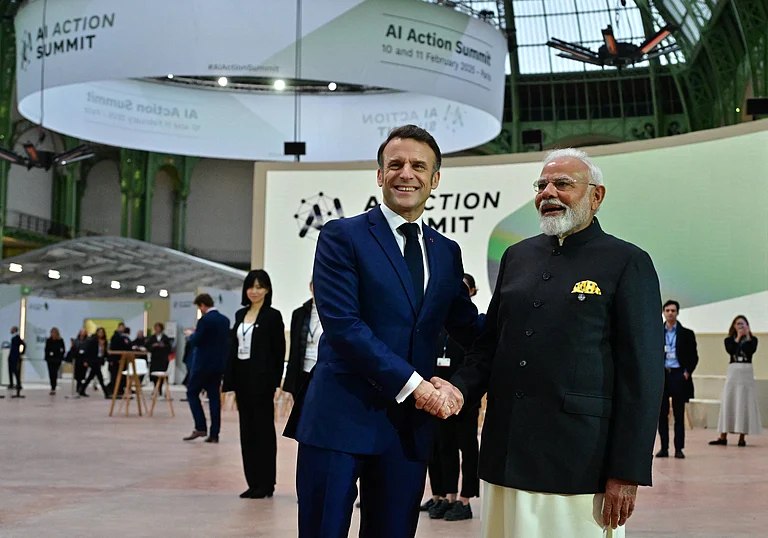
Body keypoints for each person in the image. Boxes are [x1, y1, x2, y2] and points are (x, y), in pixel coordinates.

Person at [448, 148, 664, 538]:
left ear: (596, 196)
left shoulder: (627, 262)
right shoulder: (516, 256)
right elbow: (490, 345)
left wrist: (626, 471)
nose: (548, 192)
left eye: (562, 184)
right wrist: (458, 389)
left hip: (579, 461)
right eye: (542, 185)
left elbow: (643, 376)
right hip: (505, 454)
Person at [284, 124, 480, 538]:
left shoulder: (446, 252)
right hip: (339, 419)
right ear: (380, 175)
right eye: (395, 164)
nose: (406, 173)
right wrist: (419, 387)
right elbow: (344, 328)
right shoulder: (342, 236)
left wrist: (527, 333)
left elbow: (470, 328)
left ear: (435, 179)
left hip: (406, 431)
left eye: (418, 166)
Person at [422, 273, 484, 522]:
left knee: (468, 449)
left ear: (471, 292)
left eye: (464, 289)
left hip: (465, 400)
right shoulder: (440, 324)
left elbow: (477, 360)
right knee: (443, 448)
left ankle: (465, 500)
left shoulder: (474, 324)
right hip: (439, 397)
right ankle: (447, 496)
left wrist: (461, 390)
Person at [223, 270, 286, 499]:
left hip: (262, 382)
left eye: (260, 287)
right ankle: (253, 482)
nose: (255, 291)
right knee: (246, 432)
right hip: (242, 380)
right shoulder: (240, 314)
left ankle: (266, 483)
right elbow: (232, 349)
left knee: (263, 432)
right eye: (251, 286)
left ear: (267, 290)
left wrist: (274, 381)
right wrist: (229, 379)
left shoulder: (272, 316)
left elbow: (278, 352)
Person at [184, 294, 230, 443]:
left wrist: (191, 335)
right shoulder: (225, 320)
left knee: (192, 392)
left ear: (202, 305)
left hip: (203, 364)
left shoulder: (204, 320)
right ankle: (214, 433)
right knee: (214, 398)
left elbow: (197, 341)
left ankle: (200, 426)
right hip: (218, 365)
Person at [710, 316, 762, 447]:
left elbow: (751, 350)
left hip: (746, 372)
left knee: (744, 402)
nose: (741, 326)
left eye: (743, 324)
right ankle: (723, 436)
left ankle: (742, 437)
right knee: (729, 401)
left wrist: (747, 335)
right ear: (734, 326)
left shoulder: (753, 340)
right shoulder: (729, 340)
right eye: (738, 324)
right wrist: (738, 337)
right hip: (734, 371)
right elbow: (731, 350)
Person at [656, 300, 699, 459]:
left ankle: (679, 448)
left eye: (673, 310)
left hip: (678, 375)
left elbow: (694, 356)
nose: (670, 313)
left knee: (679, 414)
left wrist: (687, 372)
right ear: (663, 312)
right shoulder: (657, 332)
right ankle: (664, 447)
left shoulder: (687, 334)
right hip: (662, 375)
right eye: (667, 310)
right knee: (662, 414)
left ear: (677, 312)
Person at [283, 279, 320, 396]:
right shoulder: (299, 314)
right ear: (310, 286)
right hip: (301, 372)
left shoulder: (334, 313)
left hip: (323, 372)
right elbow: (294, 348)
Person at [81, 327, 110, 398]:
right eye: (100, 332)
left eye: (102, 332)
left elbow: (105, 352)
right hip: (94, 360)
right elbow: (88, 350)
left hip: (99, 360)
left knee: (91, 376)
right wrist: (86, 360)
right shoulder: (92, 340)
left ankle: (82, 390)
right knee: (100, 377)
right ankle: (106, 393)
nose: (101, 334)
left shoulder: (104, 341)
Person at [147, 323, 172, 395]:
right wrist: (153, 346)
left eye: (158, 328)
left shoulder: (165, 338)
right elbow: (148, 346)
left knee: (161, 373)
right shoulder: (152, 338)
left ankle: (160, 388)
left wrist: (163, 346)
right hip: (155, 358)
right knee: (154, 374)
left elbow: (169, 348)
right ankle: (155, 387)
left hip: (163, 358)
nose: (157, 329)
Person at [68, 329, 91, 395]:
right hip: (77, 360)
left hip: (84, 360)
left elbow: (88, 351)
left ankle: (81, 389)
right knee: (78, 376)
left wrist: (86, 360)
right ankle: (78, 388)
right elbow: (73, 351)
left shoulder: (87, 341)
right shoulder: (76, 341)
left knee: (83, 375)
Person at [45, 327, 66, 395]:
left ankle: (54, 387)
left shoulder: (60, 340)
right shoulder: (49, 340)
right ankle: (52, 386)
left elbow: (63, 349)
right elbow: (46, 349)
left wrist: (61, 357)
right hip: (50, 359)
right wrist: (47, 356)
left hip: (57, 359)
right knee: (51, 373)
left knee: (55, 373)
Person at [7, 326, 25, 391]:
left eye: (12, 329)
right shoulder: (13, 337)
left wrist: (21, 353)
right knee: (10, 370)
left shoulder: (17, 337)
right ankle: (11, 383)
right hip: (11, 356)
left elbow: (23, 344)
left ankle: (18, 383)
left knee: (15, 370)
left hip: (15, 356)